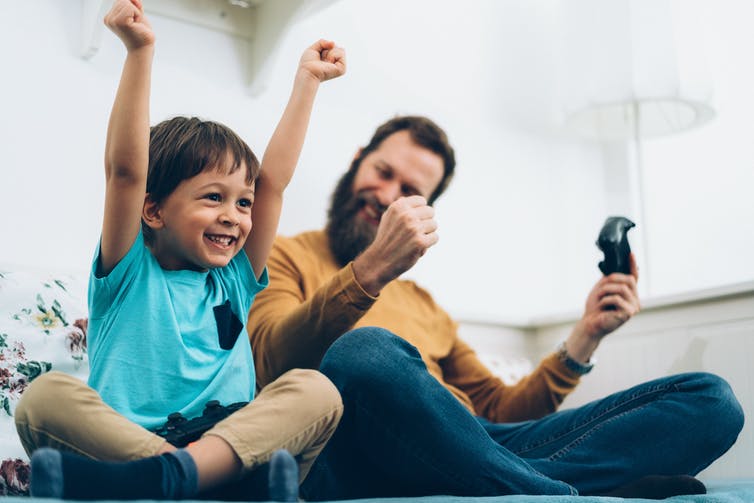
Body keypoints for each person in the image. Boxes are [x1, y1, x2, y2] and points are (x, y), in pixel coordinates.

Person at [247, 115, 745, 500]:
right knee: (366, 352)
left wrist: (585, 336)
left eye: (408, 191)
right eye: (382, 172)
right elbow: (271, 359)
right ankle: (568, 495)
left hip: (475, 445)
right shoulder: (284, 253)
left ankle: (517, 485)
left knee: (710, 401)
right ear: (358, 160)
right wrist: (371, 269)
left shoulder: (425, 304)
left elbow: (498, 411)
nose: (386, 196)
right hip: (363, 449)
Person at [14, 0, 345, 500]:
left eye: (242, 203)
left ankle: (183, 476)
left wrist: (307, 83)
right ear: (153, 211)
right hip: (133, 447)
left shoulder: (233, 279)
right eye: (213, 197)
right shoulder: (127, 275)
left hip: (230, 445)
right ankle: (176, 473)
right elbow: (125, 172)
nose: (234, 215)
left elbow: (273, 184)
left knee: (318, 392)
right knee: (43, 399)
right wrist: (139, 52)